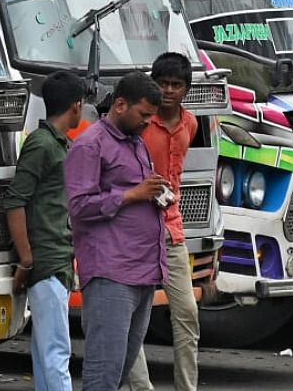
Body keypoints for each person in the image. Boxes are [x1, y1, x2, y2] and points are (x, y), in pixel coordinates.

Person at [66, 72, 169, 391]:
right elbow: (79, 206)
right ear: (121, 104)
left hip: (144, 269)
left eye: (152, 117)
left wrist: (156, 194)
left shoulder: (136, 142)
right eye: (143, 115)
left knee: (122, 368)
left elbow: (137, 191)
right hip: (112, 272)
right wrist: (132, 195)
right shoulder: (90, 144)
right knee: (104, 371)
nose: (148, 123)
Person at [4, 71, 85, 391]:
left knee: (45, 351)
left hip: (57, 261)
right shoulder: (42, 145)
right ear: (75, 106)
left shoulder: (58, 144)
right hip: (47, 261)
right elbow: (15, 201)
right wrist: (26, 260)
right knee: (57, 352)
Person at [126, 53, 201, 391]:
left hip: (172, 228)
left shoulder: (192, 124)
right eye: (163, 84)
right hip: (136, 230)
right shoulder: (141, 123)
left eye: (177, 85)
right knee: (131, 317)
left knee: (187, 314)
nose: (169, 91)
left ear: (186, 89)